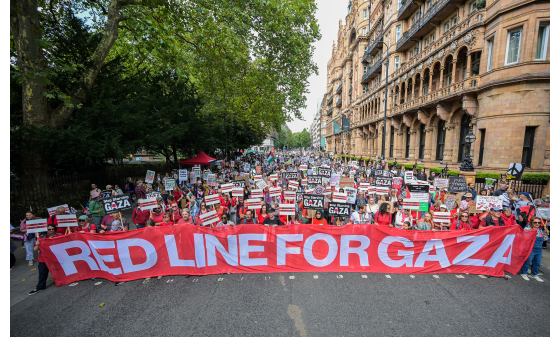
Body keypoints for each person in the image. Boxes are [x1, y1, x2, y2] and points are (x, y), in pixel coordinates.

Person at [28, 224, 61, 295]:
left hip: (56, 257)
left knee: (59, 270)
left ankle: (62, 281)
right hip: (43, 258)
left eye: (53, 229)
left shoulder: (59, 235)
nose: (51, 230)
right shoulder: (41, 237)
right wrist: (37, 244)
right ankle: (40, 287)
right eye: (49, 229)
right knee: (42, 273)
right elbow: (35, 249)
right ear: (46, 230)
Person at [520, 216, 546, 282]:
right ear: (532, 222)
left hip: (539, 249)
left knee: (537, 263)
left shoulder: (541, 230)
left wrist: (546, 235)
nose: (537, 224)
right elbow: (524, 236)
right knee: (528, 261)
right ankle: (524, 273)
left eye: (539, 222)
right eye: (535, 222)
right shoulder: (527, 228)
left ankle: (534, 274)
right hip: (531, 248)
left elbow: (545, 239)